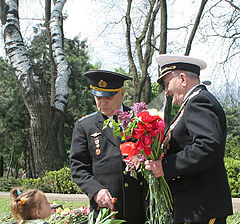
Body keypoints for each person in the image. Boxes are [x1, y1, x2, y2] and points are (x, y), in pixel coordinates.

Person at [145, 54, 233, 224]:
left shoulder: (198, 101)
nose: (166, 91)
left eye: (167, 83)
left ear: (183, 79)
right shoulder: (193, 103)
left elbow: (207, 147)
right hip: (196, 207)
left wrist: (165, 166)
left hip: (201, 208)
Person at [70, 70, 148, 224]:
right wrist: (95, 190)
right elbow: (78, 167)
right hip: (106, 209)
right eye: (98, 97)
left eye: (108, 97)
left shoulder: (140, 119)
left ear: (122, 93)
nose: (102, 102)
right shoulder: (85, 126)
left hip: (139, 206)